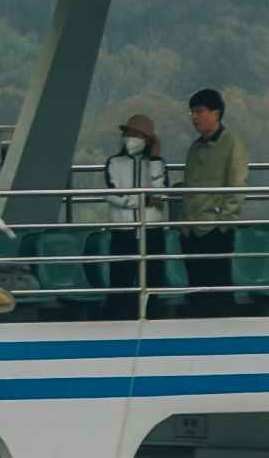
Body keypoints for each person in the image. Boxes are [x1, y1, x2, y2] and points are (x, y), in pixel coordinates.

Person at [175, 87, 247, 319]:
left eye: (199, 111)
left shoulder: (232, 144)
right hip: (191, 230)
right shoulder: (194, 148)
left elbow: (237, 186)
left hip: (215, 229)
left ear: (215, 114)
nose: (194, 117)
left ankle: (223, 331)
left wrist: (224, 223)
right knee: (196, 290)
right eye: (192, 112)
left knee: (218, 290)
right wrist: (184, 222)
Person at [98, 111, 167, 321]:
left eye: (136, 134)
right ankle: (117, 324)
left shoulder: (157, 164)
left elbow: (162, 194)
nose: (131, 138)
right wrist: (145, 200)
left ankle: (152, 322)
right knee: (120, 282)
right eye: (128, 133)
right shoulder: (114, 162)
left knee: (153, 282)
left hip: (152, 230)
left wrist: (154, 158)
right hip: (123, 230)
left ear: (148, 140)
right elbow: (113, 195)